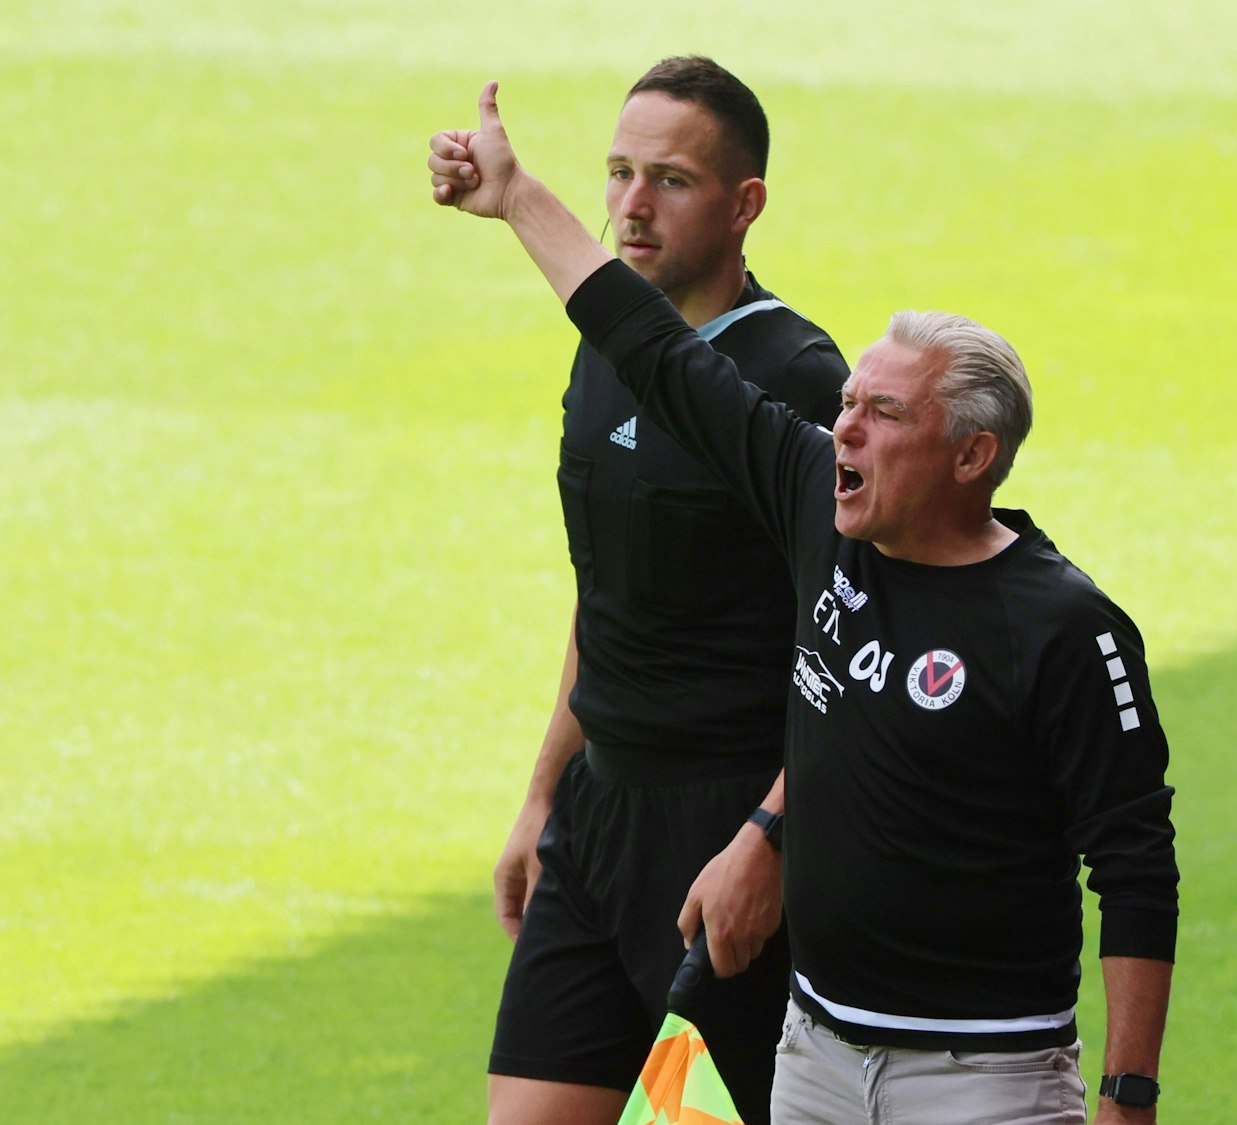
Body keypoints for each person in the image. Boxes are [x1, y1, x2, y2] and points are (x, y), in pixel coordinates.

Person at [432, 83, 1180, 1124]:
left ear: (970, 456)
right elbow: (642, 343)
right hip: (815, 1053)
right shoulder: (814, 507)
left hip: (981, 1075)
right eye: (843, 410)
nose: (842, 433)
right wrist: (515, 199)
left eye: (878, 414)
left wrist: (1127, 1098)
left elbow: (1135, 864)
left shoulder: (1058, 626)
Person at [480, 58, 850, 1125]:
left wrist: (769, 839)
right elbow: (605, 596)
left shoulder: (794, 381)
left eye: (670, 181)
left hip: (723, 839)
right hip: (597, 823)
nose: (631, 207)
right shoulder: (605, 351)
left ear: (745, 205)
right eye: (616, 174)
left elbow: (850, 638)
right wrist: (545, 790)